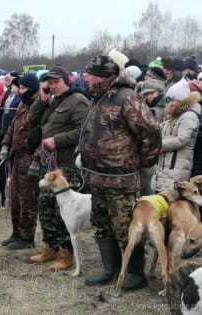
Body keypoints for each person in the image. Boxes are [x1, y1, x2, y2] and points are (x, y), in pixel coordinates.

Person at [79, 55, 161, 290]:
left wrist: (142, 162)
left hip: (121, 180)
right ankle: (110, 268)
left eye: (89, 74)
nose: (85, 78)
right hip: (96, 177)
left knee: (125, 227)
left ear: (102, 76)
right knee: (102, 224)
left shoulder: (127, 98)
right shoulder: (99, 98)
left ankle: (135, 272)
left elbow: (151, 131)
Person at [27, 65, 90, 270]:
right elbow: (31, 120)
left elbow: (83, 131)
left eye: (56, 82)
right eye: (49, 83)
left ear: (66, 81)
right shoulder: (51, 101)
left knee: (61, 211)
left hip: (66, 164)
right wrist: (41, 99)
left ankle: (66, 253)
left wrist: (58, 140)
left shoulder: (78, 101)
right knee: (45, 206)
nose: (52, 86)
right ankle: (50, 247)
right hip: (50, 164)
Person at [0, 73, 40, 250]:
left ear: (31, 89)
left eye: (23, 88)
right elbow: (12, 127)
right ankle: (16, 232)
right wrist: (5, 145)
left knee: (27, 200)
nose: (20, 90)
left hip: (30, 157)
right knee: (14, 198)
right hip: (17, 156)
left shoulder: (39, 106)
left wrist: (37, 158)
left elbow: (43, 133)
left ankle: (26, 237)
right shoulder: (23, 105)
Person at [151, 78, 201, 190]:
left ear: (182, 99)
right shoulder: (174, 116)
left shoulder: (189, 116)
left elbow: (182, 139)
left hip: (177, 169)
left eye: (174, 99)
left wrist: (158, 145)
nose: (171, 103)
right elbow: (160, 128)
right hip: (164, 169)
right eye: (170, 99)